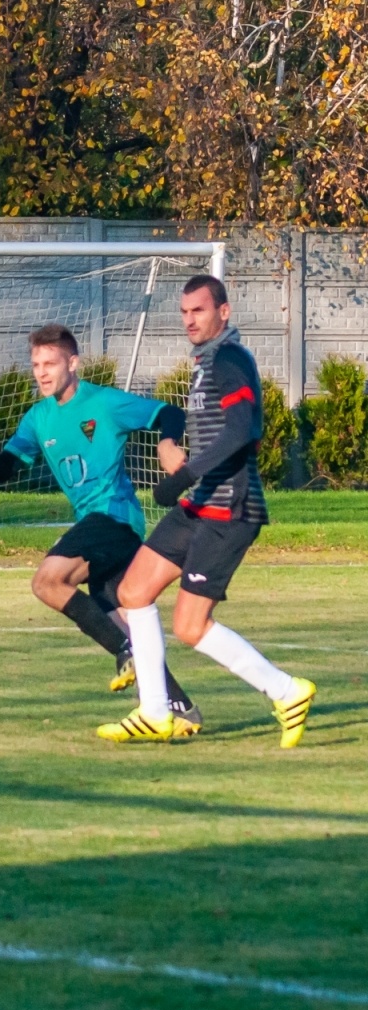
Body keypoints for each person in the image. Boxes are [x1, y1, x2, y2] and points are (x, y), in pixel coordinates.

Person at [100, 276, 314, 745]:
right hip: (198, 507)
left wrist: (183, 473)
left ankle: (286, 690)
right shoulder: (204, 363)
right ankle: (155, 712)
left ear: (223, 312)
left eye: (198, 310)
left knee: (190, 626)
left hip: (230, 510)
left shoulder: (230, 359)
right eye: (184, 312)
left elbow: (241, 429)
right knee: (133, 591)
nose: (190, 320)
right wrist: (174, 452)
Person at [0, 324, 201, 734]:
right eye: (36, 365)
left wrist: (166, 443)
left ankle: (126, 653)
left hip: (114, 518)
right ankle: (178, 707)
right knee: (120, 615)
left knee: (47, 582)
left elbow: (169, 412)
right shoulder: (39, 418)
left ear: (72, 363)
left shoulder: (103, 402)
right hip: (96, 526)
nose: (41, 373)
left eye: (50, 364)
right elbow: (4, 472)